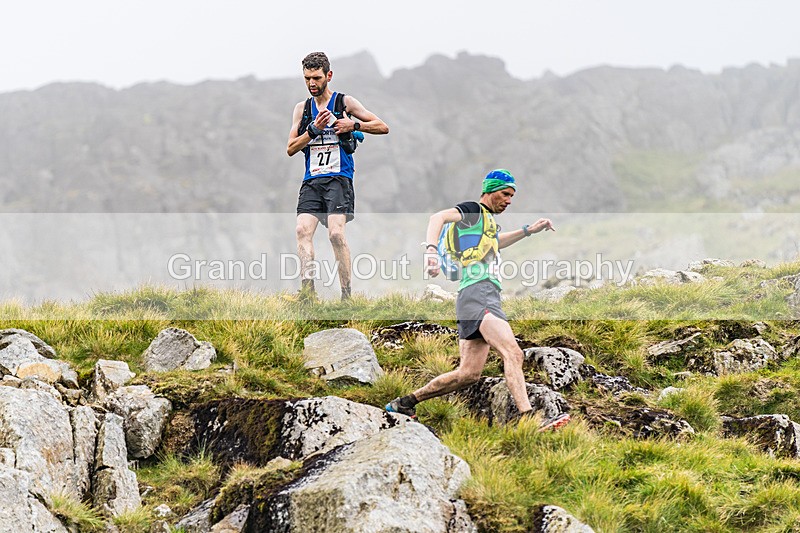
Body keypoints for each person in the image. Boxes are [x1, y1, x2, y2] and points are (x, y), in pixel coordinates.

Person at [386, 169, 570, 430]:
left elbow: (495, 242)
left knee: (469, 374)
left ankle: (405, 403)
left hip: (471, 297)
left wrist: (529, 230)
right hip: (479, 293)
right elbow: (437, 217)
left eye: (512, 197)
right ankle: (529, 419)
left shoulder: (485, 222)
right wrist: (430, 251)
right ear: (490, 191)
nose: (508, 201)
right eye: (505, 194)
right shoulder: (473, 210)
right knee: (513, 353)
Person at [286, 52, 389, 300]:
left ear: (328, 76)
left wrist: (352, 125)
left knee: (335, 234)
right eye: (307, 78)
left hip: (339, 179)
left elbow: (382, 126)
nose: (312, 83)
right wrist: (312, 131)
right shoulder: (302, 109)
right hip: (312, 180)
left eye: (317, 78)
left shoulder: (345, 102)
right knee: (302, 230)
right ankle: (307, 294)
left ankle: (346, 295)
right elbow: (290, 148)